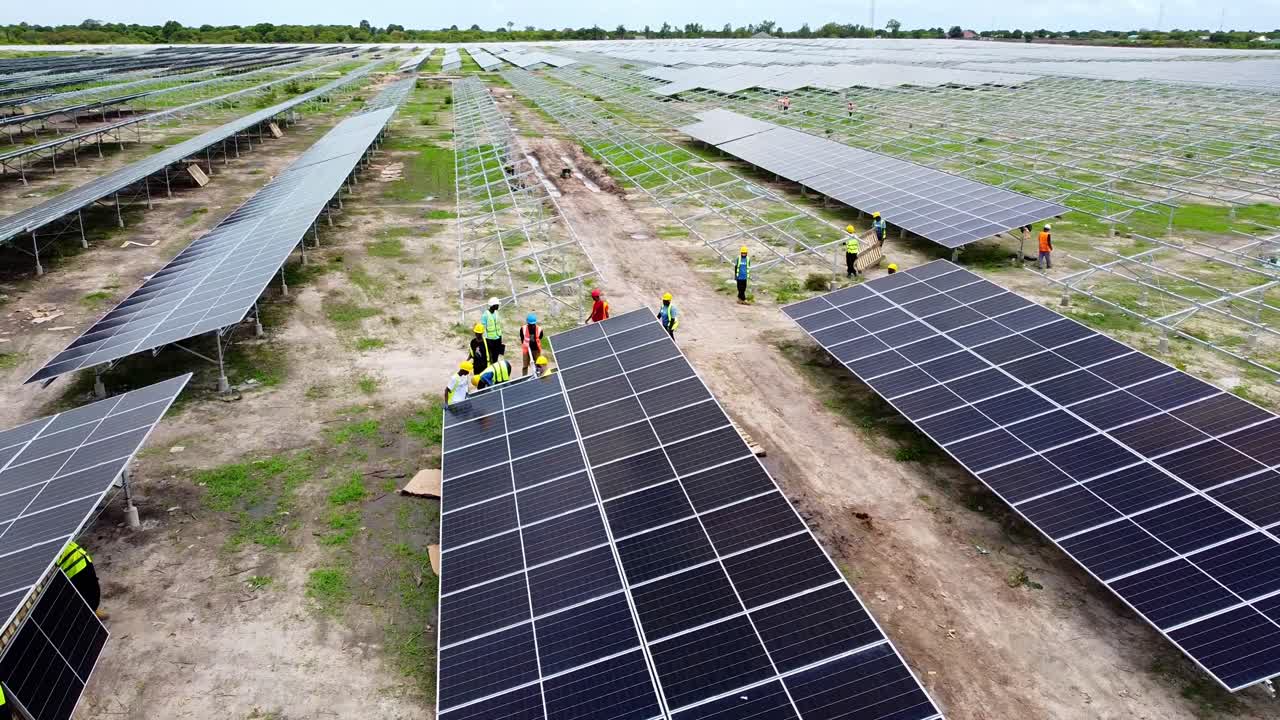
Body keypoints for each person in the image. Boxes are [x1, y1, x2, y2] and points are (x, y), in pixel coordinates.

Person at [57, 540, 104, 617]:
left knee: (94, 589)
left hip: (84, 560)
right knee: (84, 595)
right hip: (74, 570)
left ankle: (94, 611)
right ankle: (91, 615)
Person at [480, 297, 503, 361]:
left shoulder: (496, 313)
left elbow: (498, 326)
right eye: (497, 305)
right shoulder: (485, 315)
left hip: (498, 338)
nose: (498, 306)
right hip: (490, 339)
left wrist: (500, 336)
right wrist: (486, 339)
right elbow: (483, 328)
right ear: (493, 305)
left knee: (496, 356)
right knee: (490, 356)